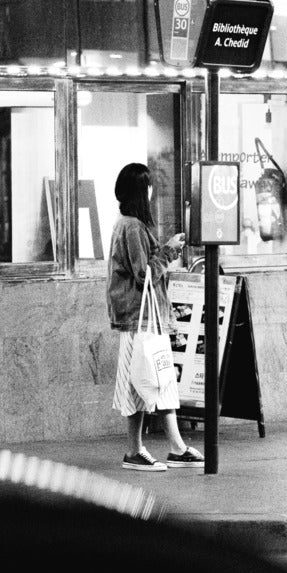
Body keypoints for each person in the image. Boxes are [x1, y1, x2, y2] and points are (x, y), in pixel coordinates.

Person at [106, 163, 198, 469]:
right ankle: (138, 450)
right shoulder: (132, 227)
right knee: (145, 382)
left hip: (144, 317)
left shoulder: (130, 224)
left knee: (159, 380)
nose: (152, 192)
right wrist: (169, 251)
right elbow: (144, 273)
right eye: (147, 187)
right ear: (139, 192)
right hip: (138, 317)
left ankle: (173, 446)